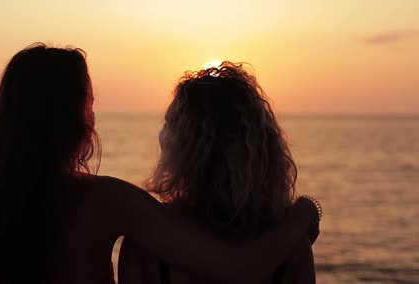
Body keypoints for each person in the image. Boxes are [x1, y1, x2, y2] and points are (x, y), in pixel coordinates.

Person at [0, 44, 321, 284]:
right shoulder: (105, 201)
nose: (92, 116)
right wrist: (303, 213)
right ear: (72, 119)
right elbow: (239, 269)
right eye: (89, 103)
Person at [118, 63, 319, 284]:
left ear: (188, 148)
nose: (161, 135)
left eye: (169, 124)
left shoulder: (146, 245)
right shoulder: (288, 246)